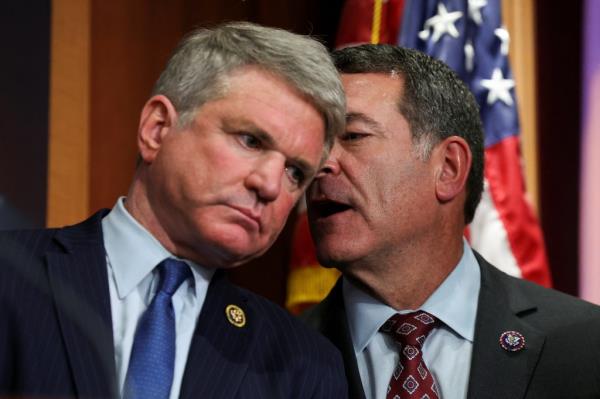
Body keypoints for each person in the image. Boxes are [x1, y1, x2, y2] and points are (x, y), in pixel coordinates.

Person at [0, 22, 348, 399]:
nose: (270, 185)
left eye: (295, 171)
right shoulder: (11, 277)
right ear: (157, 128)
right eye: (250, 140)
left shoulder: (304, 366)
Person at [303, 44, 600, 399]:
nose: (320, 164)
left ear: (448, 168)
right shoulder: (271, 357)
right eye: (315, 145)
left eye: (352, 136)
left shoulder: (585, 344)